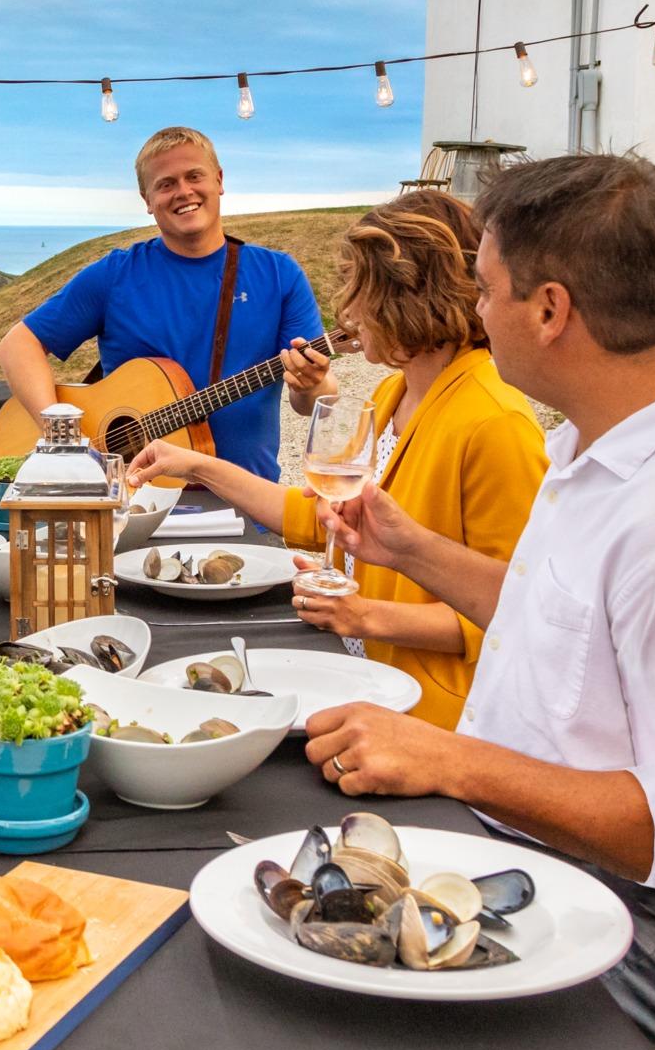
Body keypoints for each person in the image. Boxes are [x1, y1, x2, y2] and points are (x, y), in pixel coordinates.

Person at [301, 152, 655, 1044]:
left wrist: (451, 763)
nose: (475, 314)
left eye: (486, 290)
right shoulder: (601, 442)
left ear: (551, 309)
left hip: (645, 924)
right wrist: (410, 547)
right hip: (521, 845)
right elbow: (553, 618)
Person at [127, 191, 547, 728]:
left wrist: (363, 615)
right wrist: (196, 464)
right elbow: (314, 516)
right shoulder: (397, 395)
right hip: (361, 677)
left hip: (433, 718)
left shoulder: (495, 423)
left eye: (359, 292)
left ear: (407, 296)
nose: (347, 312)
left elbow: (517, 614)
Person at [0, 127, 337, 482]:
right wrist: (64, 441)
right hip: (132, 502)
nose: (183, 192)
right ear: (147, 199)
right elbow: (17, 346)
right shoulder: (115, 276)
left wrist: (312, 384)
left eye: (194, 176)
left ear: (219, 180)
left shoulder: (278, 274)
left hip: (249, 503)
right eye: (166, 184)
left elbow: (312, 403)